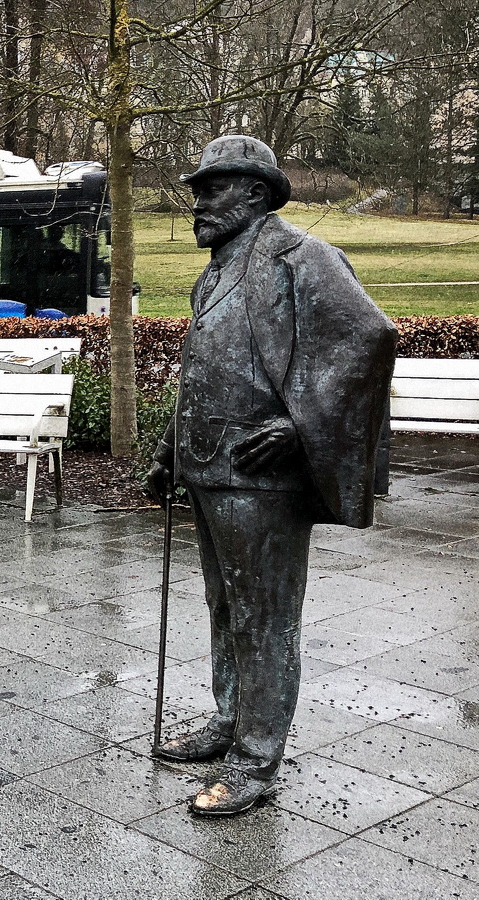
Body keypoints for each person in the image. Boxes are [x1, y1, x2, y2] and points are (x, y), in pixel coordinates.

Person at [147, 136, 396, 816]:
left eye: (214, 188)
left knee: (265, 620)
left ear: (256, 193)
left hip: (261, 476)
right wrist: (170, 451)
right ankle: (230, 722)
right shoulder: (214, 272)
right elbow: (201, 372)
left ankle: (256, 760)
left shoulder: (304, 259)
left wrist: (298, 425)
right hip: (209, 469)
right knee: (226, 607)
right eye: (197, 187)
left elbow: (367, 340)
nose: (197, 200)